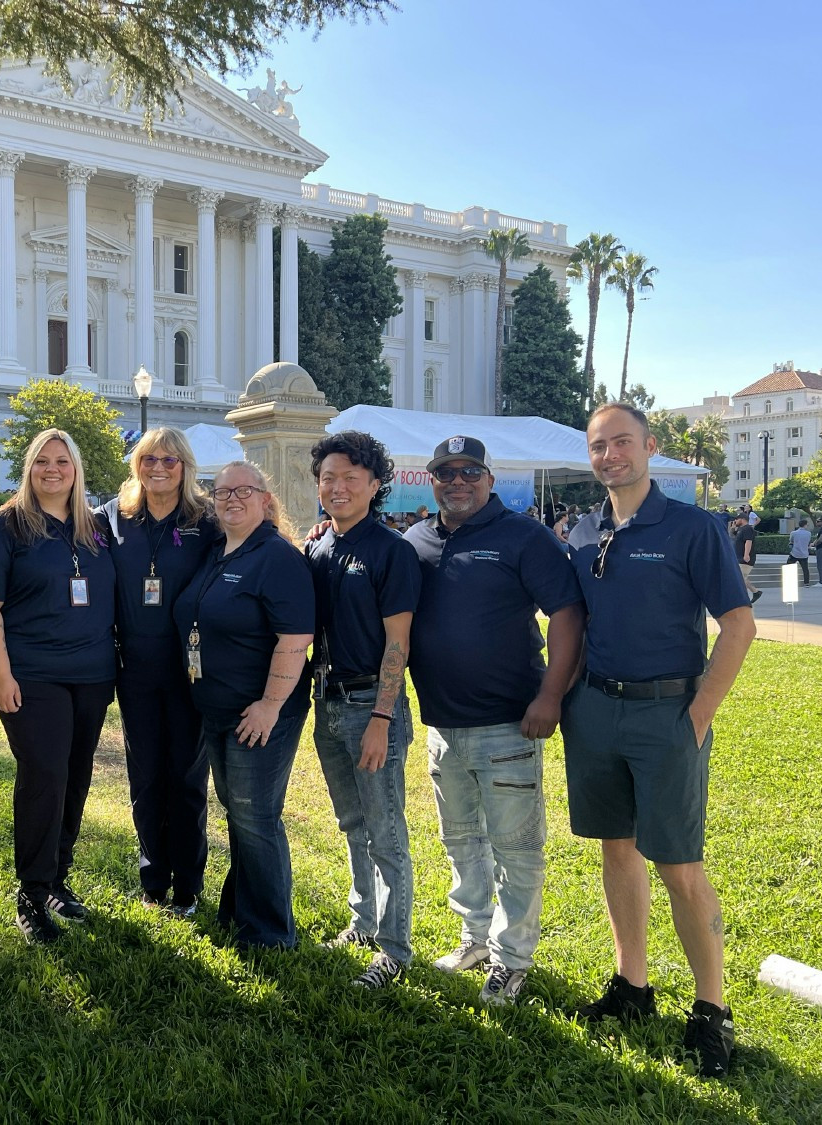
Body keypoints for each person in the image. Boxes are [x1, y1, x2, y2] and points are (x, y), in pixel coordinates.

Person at [563, 403, 755, 1078]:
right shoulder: (581, 531)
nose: (610, 454)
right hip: (596, 711)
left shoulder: (692, 527)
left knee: (678, 864)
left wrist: (698, 714)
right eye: (598, 446)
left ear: (649, 447)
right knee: (617, 850)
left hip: (667, 713)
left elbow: (737, 625)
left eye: (621, 442)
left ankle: (711, 1012)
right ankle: (633, 985)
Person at [404, 435, 584, 1007]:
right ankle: (474, 938)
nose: (457, 481)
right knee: (460, 842)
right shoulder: (417, 540)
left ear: (489, 478)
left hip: (509, 724)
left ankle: (513, 959)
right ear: (432, 479)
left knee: (516, 848)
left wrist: (551, 696)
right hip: (442, 727)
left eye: (469, 472)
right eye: (445, 472)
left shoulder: (524, 537)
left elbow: (567, 615)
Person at [0, 429, 116, 944]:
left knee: (75, 777)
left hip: (92, 675)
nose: (53, 470)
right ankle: (30, 892)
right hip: (32, 676)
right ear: (29, 468)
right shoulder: (5, 527)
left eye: (63, 461)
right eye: (42, 462)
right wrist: (1, 674)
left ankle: (57, 879)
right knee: (44, 776)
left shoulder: (95, 529)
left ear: (77, 469)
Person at [171, 461, 313, 949]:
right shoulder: (219, 551)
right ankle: (240, 909)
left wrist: (270, 705)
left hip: (261, 712)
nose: (231, 499)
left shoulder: (277, 557)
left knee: (256, 817)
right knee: (238, 813)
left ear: (266, 500)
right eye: (222, 492)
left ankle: (270, 933)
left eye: (244, 491)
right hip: (217, 708)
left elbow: (295, 639)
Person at [304, 432, 419, 985]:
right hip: (325, 701)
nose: (338, 486)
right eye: (328, 477)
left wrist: (381, 718)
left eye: (351, 477)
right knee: (352, 823)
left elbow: (399, 644)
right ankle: (364, 923)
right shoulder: (319, 546)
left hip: (372, 703)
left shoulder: (390, 550)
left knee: (385, 830)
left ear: (375, 485)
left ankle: (395, 950)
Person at [99, 429, 220, 915]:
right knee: (146, 777)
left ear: (185, 466)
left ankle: (188, 886)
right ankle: (154, 880)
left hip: (191, 670)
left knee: (187, 779)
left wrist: (315, 532)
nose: (160, 467)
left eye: (171, 460)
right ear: (137, 465)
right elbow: (55, 527)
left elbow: (258, 537)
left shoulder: (206, 522)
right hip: (135, 670)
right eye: (150, 458)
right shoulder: (113, 518)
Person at [732, 513, 761, 604]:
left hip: (745, 558)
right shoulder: (741, 529)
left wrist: (746, 555)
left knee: (740, 578)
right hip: (739, 557)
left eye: (736, 519)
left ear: (742, 519)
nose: (735, 521)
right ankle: (755, 592)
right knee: (741, 578)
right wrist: (733, 528)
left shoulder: (748, 529)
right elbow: (733, 535)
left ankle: (744, 598)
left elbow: (748, 542)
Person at [787, 518, 811, 586]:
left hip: (795, 552)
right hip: (804, 553)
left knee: (789, 566)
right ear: (805, 525)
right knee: (805, 569)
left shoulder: (793, 533)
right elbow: (808, 542)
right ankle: (806, 583)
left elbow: (791, 541)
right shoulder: (808, 533)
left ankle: (789, 581)